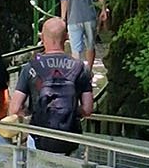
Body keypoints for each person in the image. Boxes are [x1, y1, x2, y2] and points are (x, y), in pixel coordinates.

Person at [10, 17, 93, 155]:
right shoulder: (80, 68)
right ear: (66, 37)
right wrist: (71, 111)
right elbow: (88, 109)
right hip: (69, 139)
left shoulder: (31, 67)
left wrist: (30, 112)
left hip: (39, 137)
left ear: (42, 38)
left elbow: (15, 107)